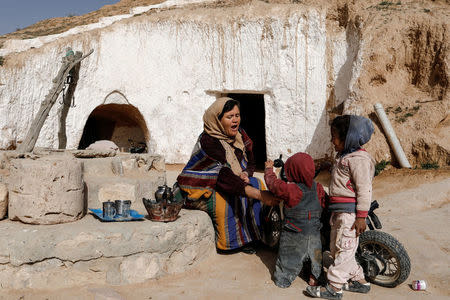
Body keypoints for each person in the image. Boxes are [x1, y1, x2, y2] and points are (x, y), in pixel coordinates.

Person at [177, 97, 279, 252]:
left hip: (233, 179)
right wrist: (259, 195)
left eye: (237, 115)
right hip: (206, 185)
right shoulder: (208, 140)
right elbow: (221, 175)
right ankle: (232, 243)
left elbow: (251, 162)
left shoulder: (240, 135)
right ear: (217, 120)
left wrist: (245, 173)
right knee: (225, 199)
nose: (235, 120)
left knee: (257, 183)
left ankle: (254, 236)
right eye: (229, 117)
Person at [306, 115, 375, 299]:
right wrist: (330, 166)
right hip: (338, 212)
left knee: (344, 249)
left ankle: (334, 288)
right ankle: (360, 281)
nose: (332, 141)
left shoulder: (359, 160)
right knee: (340, 249)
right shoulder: (344, 156)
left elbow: (364, 190)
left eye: (334, 137)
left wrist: (361, 216)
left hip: (350, 215)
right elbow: (343, 177)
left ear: (348, 139)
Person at [264, 153, 327, 288]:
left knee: (288, 258)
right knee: (316, 257)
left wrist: (269, 170)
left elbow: (273, 185)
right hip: (314, 232)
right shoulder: (318, 188)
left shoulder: (291, 190)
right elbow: (323, 204)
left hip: (294, 233)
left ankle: (284, 279)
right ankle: (314, 277)